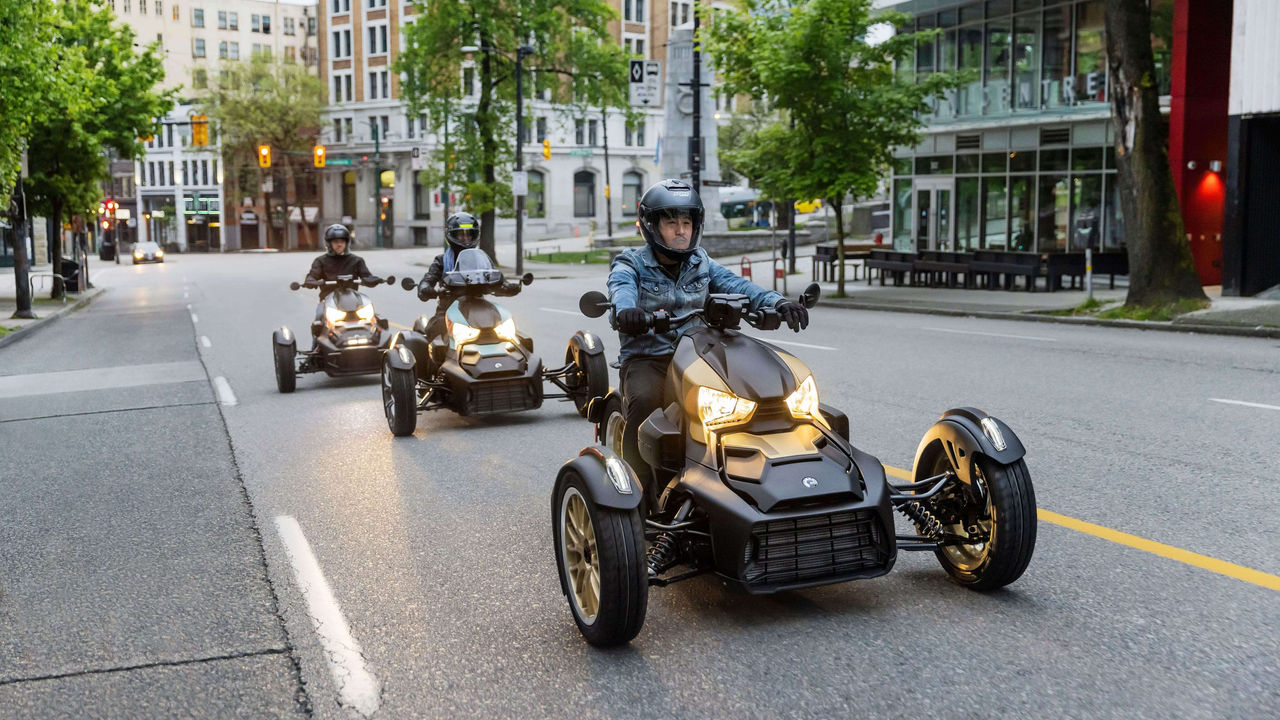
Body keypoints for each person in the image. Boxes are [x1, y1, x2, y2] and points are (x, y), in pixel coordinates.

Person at [607, 179, 809, 492]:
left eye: (686, 222)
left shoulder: (701, 261)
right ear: (652, 226)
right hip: (649, 358)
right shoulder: (631, 262)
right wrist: (627, 311)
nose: (680, 231)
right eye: (671, 222)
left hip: (698, 356)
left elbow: (739, 286)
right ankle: (636, 491)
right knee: (646, 404)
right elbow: (621, 288)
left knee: (742, 398)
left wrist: (778, 302)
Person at [415, 212, 482, 340]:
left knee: (505, 328)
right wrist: (426, 288)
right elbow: (428, 278)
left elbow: (497, 276)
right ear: (452, 235)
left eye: (469, 234)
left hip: (478, 309)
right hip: (448, 310)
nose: (466, 238)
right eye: (461, 234)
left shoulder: (481, 260)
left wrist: (508, 286)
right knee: (436, 335)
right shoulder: (441, 261)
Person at [304, 224, 380, 298]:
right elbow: (313, 275)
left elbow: (367, 275)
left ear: (347, 243)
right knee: (320, 310)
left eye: (342, 241)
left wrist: (372, 279)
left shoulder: (357, 260)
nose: (339, 244)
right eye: (336, 241)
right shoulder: (320, 261)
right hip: (328, 299)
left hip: (352, 298)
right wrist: (310, 281)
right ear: (329, 243)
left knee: (367, 308)